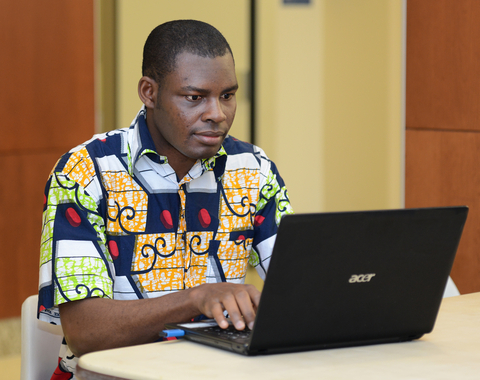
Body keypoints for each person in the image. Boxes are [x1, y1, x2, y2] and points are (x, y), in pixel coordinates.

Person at [38, 19, 293, 378]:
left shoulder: (253, 169)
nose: (217, 115)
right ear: (149, 92)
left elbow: (299, 289)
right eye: (195, 97)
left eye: (227, 96)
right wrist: (195, 298)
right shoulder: (84, 172)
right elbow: (85, 333)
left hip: (219, 370)